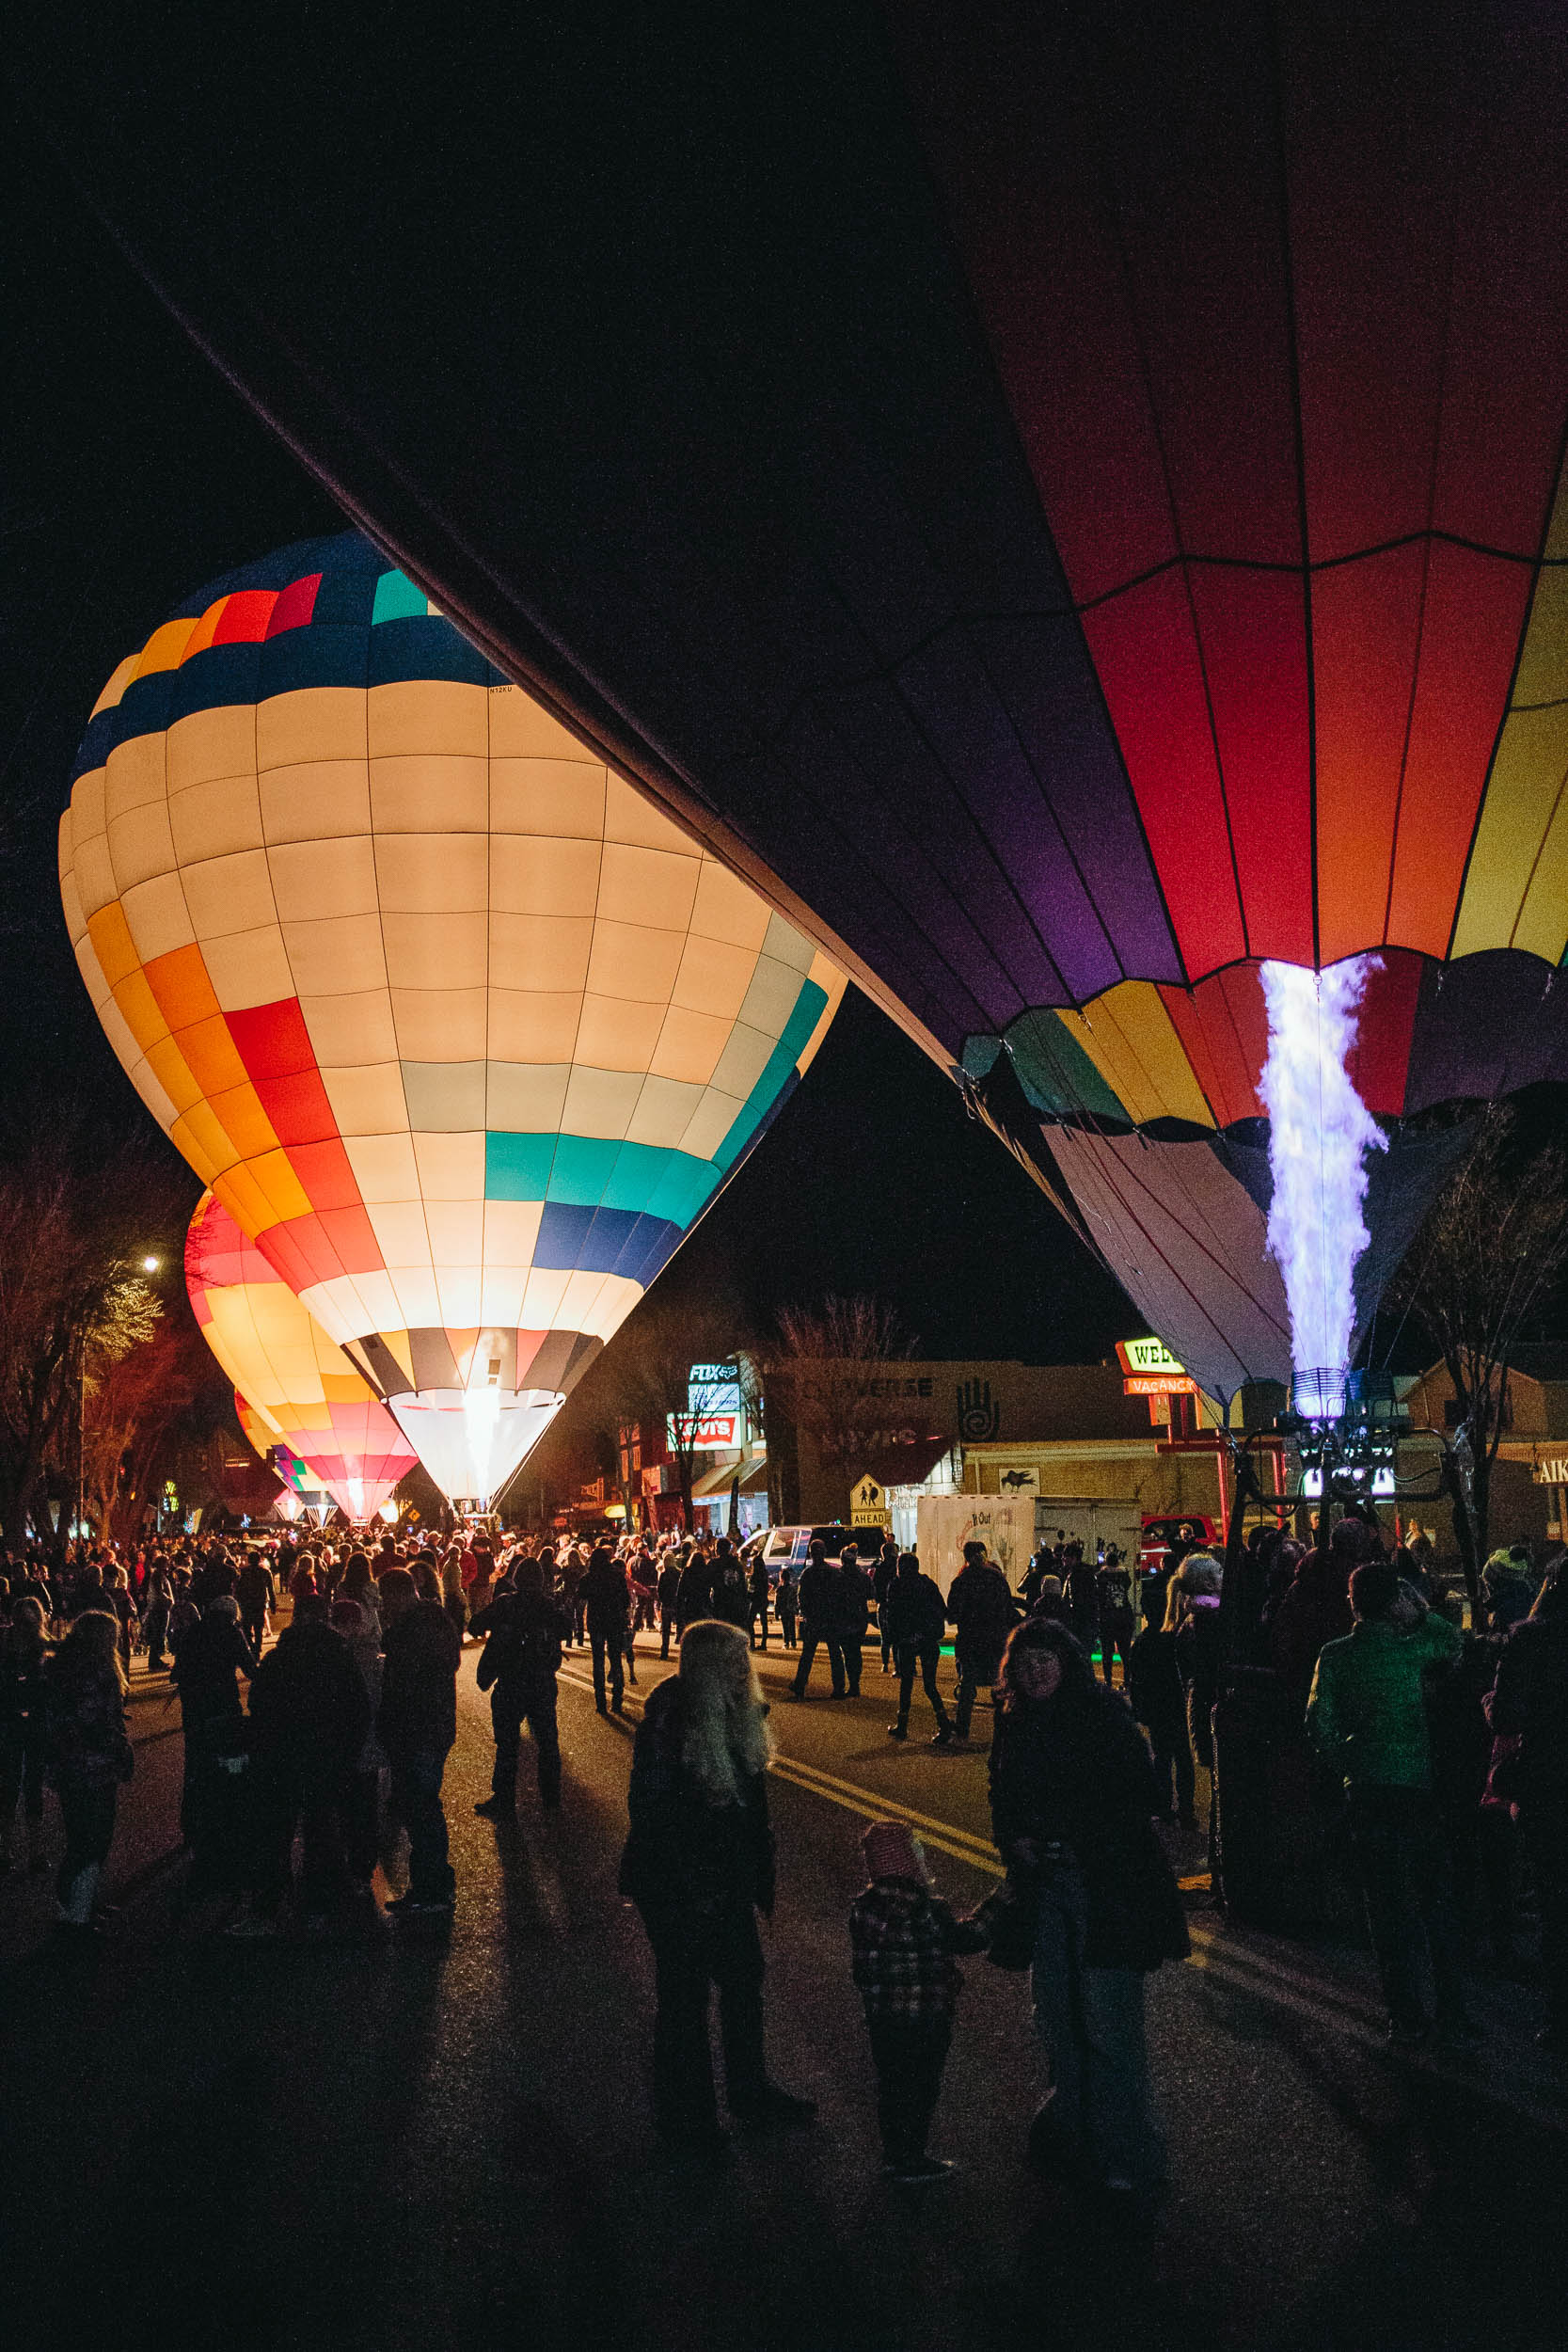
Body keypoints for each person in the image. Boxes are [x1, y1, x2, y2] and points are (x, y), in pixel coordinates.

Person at [989, 1616, 1187, 2195]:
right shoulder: (1015, 1722)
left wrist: (1077, 1834)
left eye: (1046, 1658)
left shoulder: (1102, 1715)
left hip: (1106, 1889)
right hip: (1046, 1885)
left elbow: (1142, 1795)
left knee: (1110, 2020)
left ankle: (1127, 2149)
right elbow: (1000, 1789)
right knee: (1055, 2013)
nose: (1035, 1670)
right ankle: (1069, 2127)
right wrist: (1015, 1837)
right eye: (1025, 1663)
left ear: (1067, 1662)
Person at [619, 1619, 816, 2152]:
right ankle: (688, 2121)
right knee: (683, 2000)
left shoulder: (738, 1714)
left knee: (743, 1987)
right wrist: (691, 1884)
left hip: (724, 1880)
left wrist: (753, 1875)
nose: (744, 1670)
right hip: (676, 1885)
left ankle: (749, 2092)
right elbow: (652, 1813)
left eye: (743, 1660)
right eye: (733, 1662)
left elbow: (751, 1813)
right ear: (709, 1669)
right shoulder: (671, 1721)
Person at [1307, 1557, 1476, 2050]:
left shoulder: (1335, 1656)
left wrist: (1349, 1762)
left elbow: (1319, 1724)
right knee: (1436, 1904)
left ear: (1353, 1604)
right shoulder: (1416, 1649)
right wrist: (1420, 1612)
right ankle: (1453, 2011)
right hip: (1418, 1787)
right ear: (1394, 1601)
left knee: (1387, 1908)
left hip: (1368, 1789)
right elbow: (1454, 1640)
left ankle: (1405, 2015)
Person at [849, 1819, 986, 2185]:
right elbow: (966, 1939)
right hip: (926, 2016)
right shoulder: (928, 1908)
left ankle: (896, 2153)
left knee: (893, 2084)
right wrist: (995, 1909)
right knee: (922, 2085)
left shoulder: (863, 1909)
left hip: (884, 2019)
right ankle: (913, 2157)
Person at [236, 1592, 370, 1934]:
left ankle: (266, 1909)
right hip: (326, 1756)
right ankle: (319, 1905)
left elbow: (259, 1703)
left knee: (276, 1832)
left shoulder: (281, 1656)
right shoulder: (340, 1657)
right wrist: (347, 1753)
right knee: (321, 1831)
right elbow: (358, 1709)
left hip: (283, 1755)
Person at [1487, 1558, 1568, 2050]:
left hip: (1550, 1783)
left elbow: (1507, 1717)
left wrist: (1488, 1704)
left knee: (1556, 1905)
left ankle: (1560, 2021)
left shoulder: (1530, 1640)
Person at [377, 1566, 462, 1918]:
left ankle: (432, 1888)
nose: (384, 1606)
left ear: (398, 1594)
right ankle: (431, 1884)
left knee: (421, 1807)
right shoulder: (435, 1620)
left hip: (419, 1729)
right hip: (430, 1727)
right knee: (421, 1806)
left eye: (386, 1598)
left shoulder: (414, 1628)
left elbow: (408, 1679)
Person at [44, 1611, 134, 1936]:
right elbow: (93, 1721)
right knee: (93, 1838)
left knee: (81, 1837)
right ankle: (76, 1914)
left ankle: (79, 1905)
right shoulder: (96, 1671)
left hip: (70, 1767)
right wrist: (117, 1747)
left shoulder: (63, 1668)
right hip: (93, 1766)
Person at [169, 1592, 258, 1897]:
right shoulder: (232, 1632)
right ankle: (223, 1829)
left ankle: (192, 1830)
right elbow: (249, 1666)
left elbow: (176, 1672)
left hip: (194, 1710)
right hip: (223, 1708)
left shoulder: (194, 1630)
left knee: (194, 1767)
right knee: (226, 1767)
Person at [474, 1558, 566, 1815]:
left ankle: (503, 1799)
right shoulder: (546, 1606)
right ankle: (551, 1799)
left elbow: (475, 1624)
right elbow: (565, 1629)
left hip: (511, 1681)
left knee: (507, 1744)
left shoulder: (506, 1603)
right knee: (548, 1741)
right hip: (541, 1681)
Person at [1126, 1583, 1197, 1828]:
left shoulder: (1143, 1643)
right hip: (1177, 1704)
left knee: (1162, 1758)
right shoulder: (1174, 1637)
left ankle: (1164, 1807)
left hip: (1157, 1708)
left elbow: (1135, 1680)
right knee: (1183, 1757)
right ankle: (1186, 1809)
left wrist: (1139, 1709)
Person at [945, 1540, 1019, 1743]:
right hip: (996, 1638)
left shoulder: (961, 1581)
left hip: (971, 1639)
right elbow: (1008, 1607)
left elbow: (953, 1614)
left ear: (966, 1557)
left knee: (968, 1685)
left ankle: (962, 1730)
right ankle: (1006, 1730)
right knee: (999, 1684)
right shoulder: (997, 1578)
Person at [0, 1594, 51, 1877]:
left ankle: (33, 1851)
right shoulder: (8, 1644)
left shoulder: (39, 1646)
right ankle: (8, 1849)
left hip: (32, 1722)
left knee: (30, 1786)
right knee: (11, 1785)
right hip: (11, 1719)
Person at [885, 1551, 953, 1744]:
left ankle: (903, 1725)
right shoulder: (928, 1584)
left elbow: (893, 1615)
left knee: (906, 1683)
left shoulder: (897, 1586)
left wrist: (895, 1637)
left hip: (907, 1640)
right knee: (930, 1685)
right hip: (928, 1639)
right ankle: (944, 1724)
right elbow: (942, 1610)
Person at [791, 1541, 846, 1701]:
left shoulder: (808, 1574)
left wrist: (805, 1613)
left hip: (814, 1618)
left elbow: (801, 1597)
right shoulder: (834, 1573)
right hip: (830, 1617)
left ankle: (800, 1685)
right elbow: (840, 1596)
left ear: (811, 1554)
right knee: (835, 1653)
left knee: (808, 1654)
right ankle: (839, 1687)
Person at [581, 1545, 630, 1716]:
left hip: (596, 1621)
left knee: (598, 1661)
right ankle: (617, 1699)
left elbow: (580, 1595)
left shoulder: (589, 1577)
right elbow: (626, 1600)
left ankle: (600, 1701)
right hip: (614, 1620)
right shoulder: (617, 1576)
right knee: (615, 1658)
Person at [1096, 1550, 1136, 1687]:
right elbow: (1128, 1584)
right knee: (1125, 1652)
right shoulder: (1124, 1575)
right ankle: (1127, 1680)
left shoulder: (1101, 1575)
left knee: (1107, 1652)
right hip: (1124, 1616)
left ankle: (1108, 1681)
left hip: (1107, 1617)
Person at [836, 1541, 871, 1696]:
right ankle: (855, 1683)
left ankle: (852, 1684)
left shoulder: (838, 1576)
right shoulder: (863, 1577)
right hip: (859, 1618)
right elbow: (871, 1594)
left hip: (844, 1618)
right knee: (855, 1651)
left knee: (847, 1651)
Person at [236, 1549, 276, 1657]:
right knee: (259, 1628)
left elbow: (238, 1589)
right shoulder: (265, 1572)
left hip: (247, 1603)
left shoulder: (244, 1572)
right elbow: (271, 1590)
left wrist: (238, 1602)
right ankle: (257, 1648)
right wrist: (273, 1604)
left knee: (247, 1628)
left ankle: (253, 1646)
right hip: (259, 1602)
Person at [707, 1537, 751, 1631]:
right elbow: (743, 1584)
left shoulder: (714, 1564)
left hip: (719, 1602)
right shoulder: (736, 1563)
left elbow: (706, 1583)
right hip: (735, 1602)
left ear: (718, 1549)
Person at [873, 1535, 901, 1673]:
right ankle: (898, 1664)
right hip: (896, 1606)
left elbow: (875, 1589)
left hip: (883, 1606)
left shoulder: (879, 1569)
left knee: (885, 1638)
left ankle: (885, 1664)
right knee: (897, 1637)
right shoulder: (897, 1568)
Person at [657, 1552, 682, 1660]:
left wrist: (662, 1599)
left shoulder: (663, 1574)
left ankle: (664, 1652)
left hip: (666, 1603)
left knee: (665, 1630)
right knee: (680, 1628)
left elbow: (660, 1590)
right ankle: (682, 1653)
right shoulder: (679, 1573)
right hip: (676, 1603)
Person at [748, 1551, 771, 1652]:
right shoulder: (765, 1574)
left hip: (755, 1600)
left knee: (750, 1622)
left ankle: (752, 1643)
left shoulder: (754, 1576)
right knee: (764, 1622)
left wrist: (748, 1596)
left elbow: (751, 1590)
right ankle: (764, 1643)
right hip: (764, 1600)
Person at [774, 1565, 799, 1650]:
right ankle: (794, 1643)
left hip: (783, 1610)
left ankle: (786, 1643)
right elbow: (795, 1599)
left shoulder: (779, 1589)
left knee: (785, 1627)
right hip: (791, 1610)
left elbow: (776, 1603)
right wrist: (796, 1609)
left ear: (781, 1578)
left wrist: (776, 1612)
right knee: (792, 1626)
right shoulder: (792, 1588)